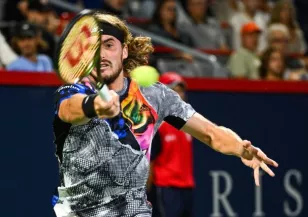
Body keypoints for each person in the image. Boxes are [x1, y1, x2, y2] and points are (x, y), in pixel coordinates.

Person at [53, 12, 278, 217]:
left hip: (133, 210)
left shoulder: (156, 96)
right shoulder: (75, 91)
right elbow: (68, 109)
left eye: (109, 45)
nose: (101, 54)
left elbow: (210, 133)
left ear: (124, 51)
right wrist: (95, 107)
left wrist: (241, 148)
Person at [147, 72, 195, 217]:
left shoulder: (190, 124)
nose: (179, 94)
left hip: (187, 187)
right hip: (165, 188)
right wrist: (146, 191)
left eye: (180, 90)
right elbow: (150, 161)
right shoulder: (157, 125)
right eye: (174, 90)